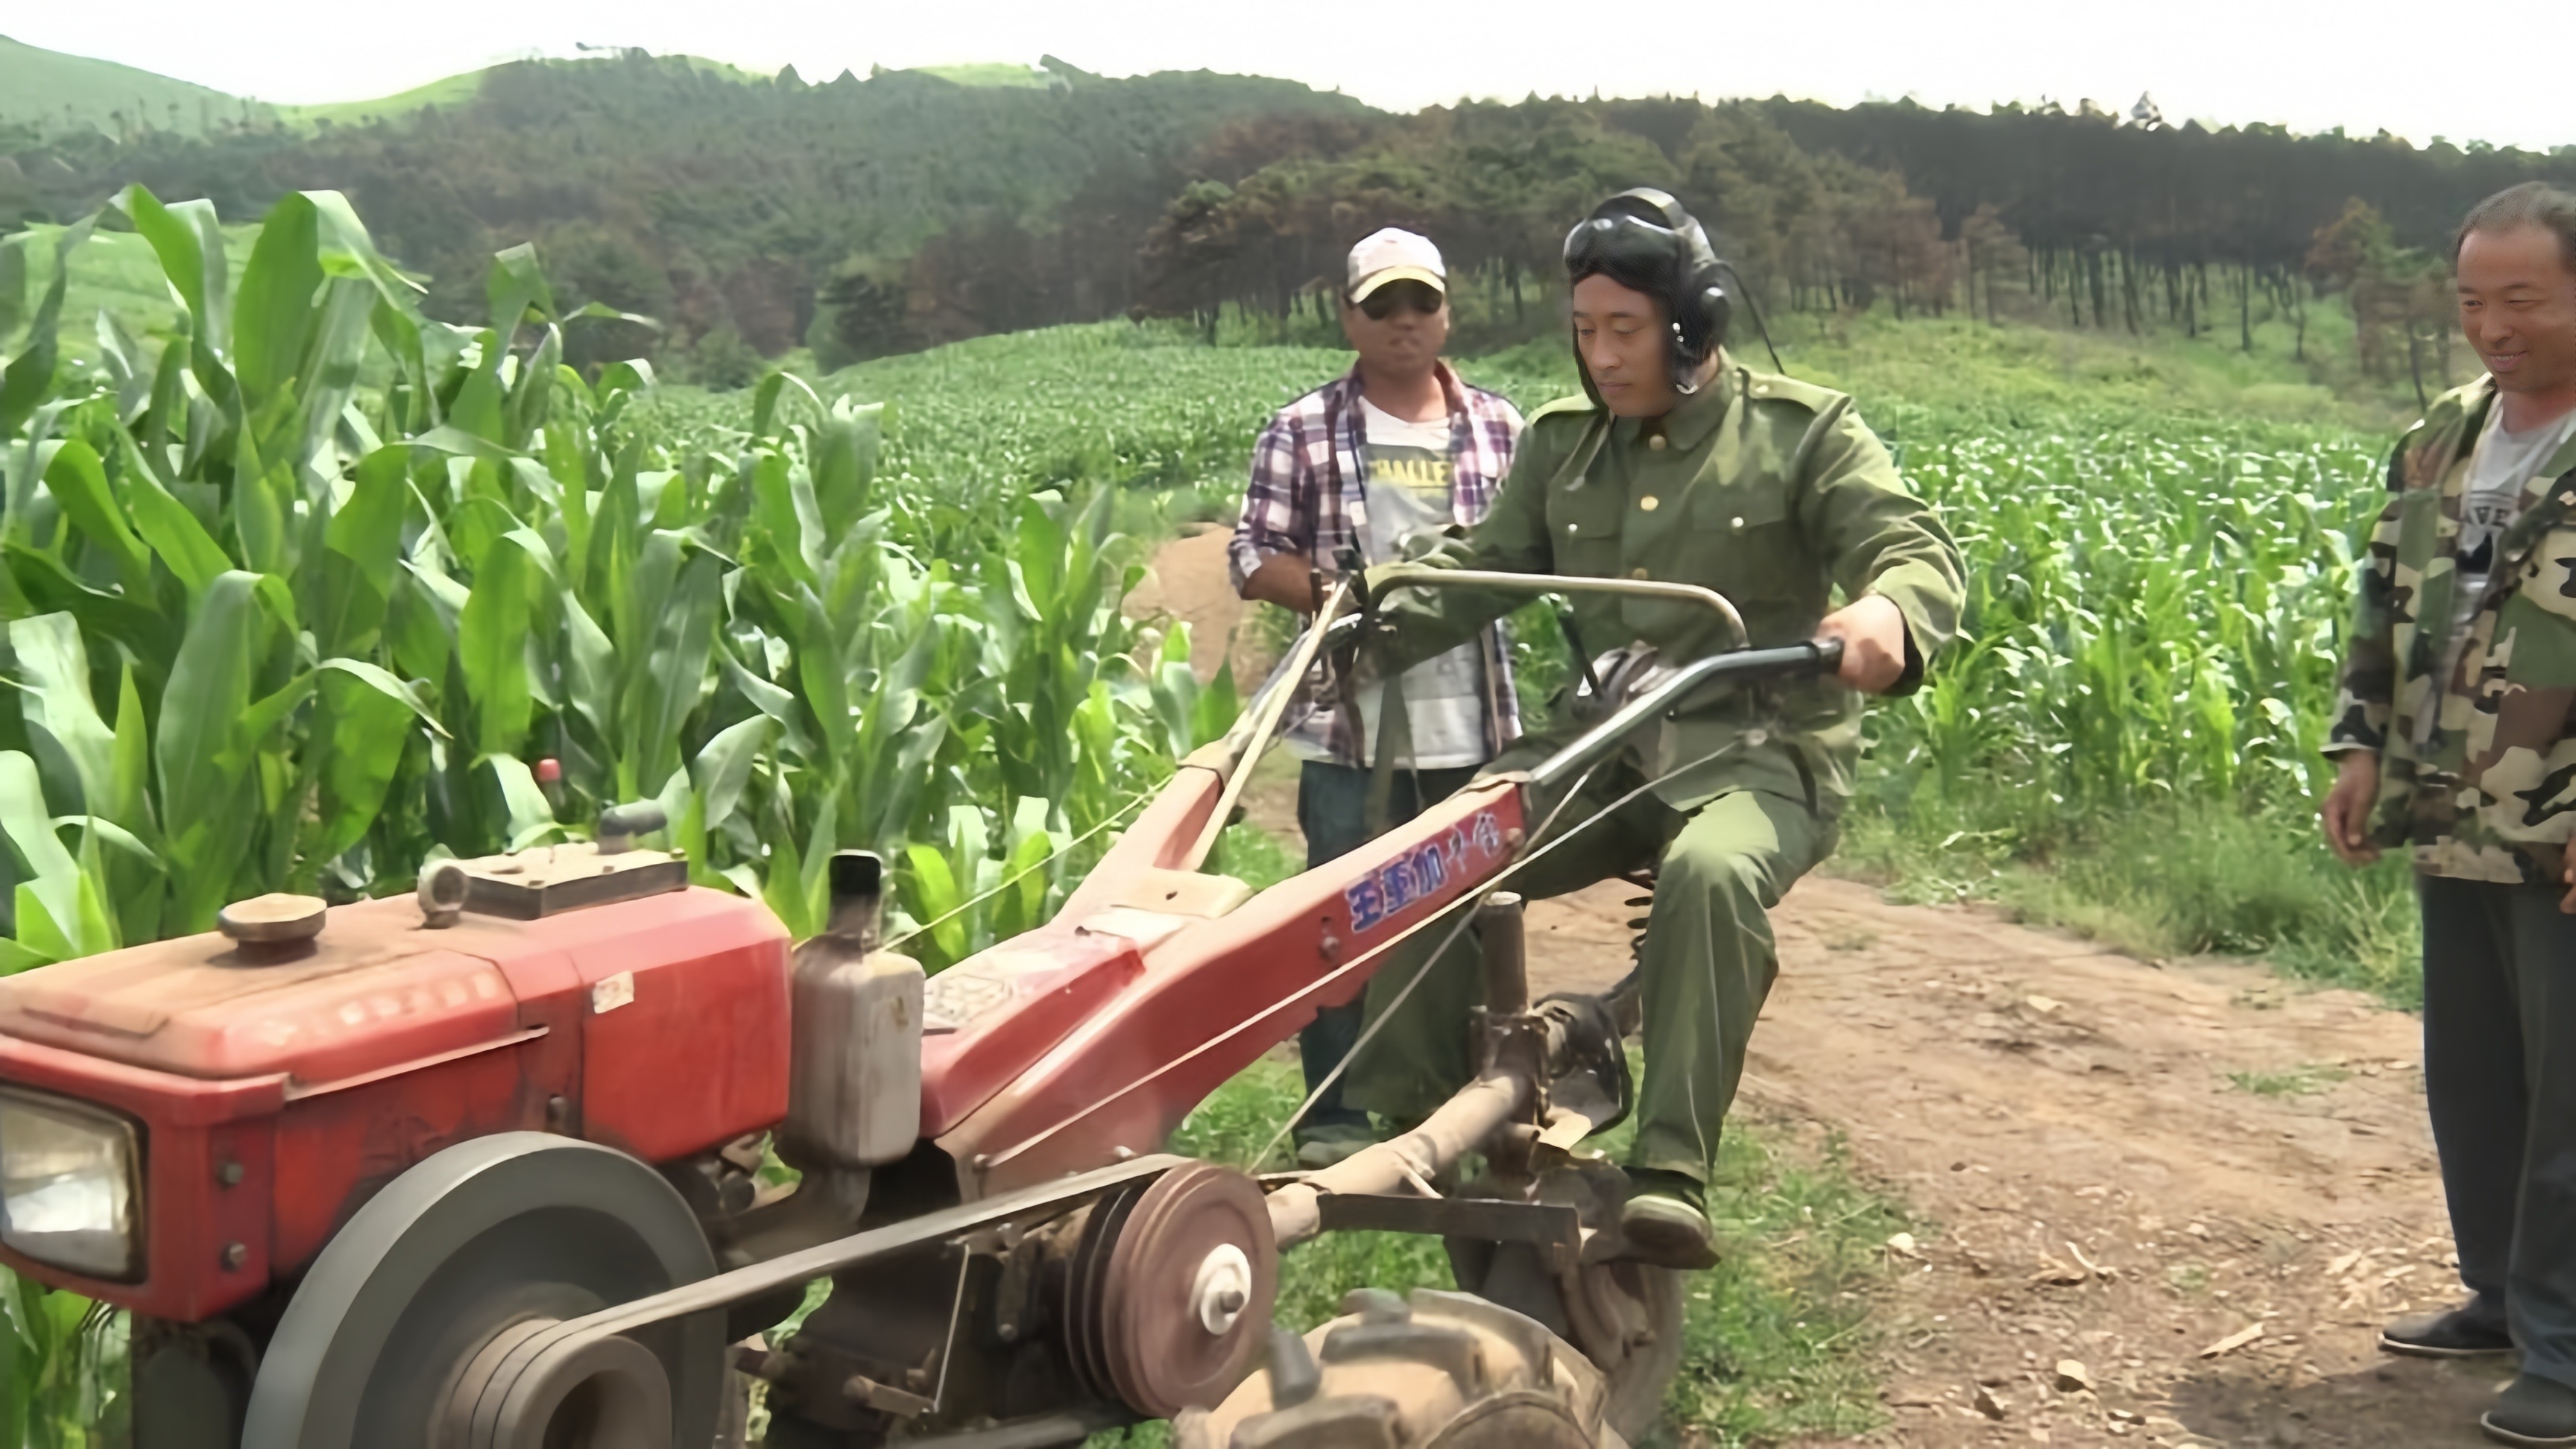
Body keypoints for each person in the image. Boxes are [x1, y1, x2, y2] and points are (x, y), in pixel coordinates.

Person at [1345, 189, 1963, 1269]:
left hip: (1760, 749)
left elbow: (1908, 544)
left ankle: (1673, 1173)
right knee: (1441, 850)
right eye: (1584, 331)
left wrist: (1889, 611)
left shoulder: (1803, 431)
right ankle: (1407, 1128)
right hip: (1606, 745)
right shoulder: (1566, 448)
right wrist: (1368, 617)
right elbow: (1475, 569)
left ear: (1693, 324)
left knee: (1712, 878)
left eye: (1624, 330)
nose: (1602, 357)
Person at [2321, 180, 2576, 1449]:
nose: (2492, 324)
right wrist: (2356, 744)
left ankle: (2569, 1347)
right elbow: (2379, 602)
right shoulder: (2439, 436)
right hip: (2453, 805)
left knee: (2572, 1096)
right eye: (2474, 299)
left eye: (2521, 297)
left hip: (2564, 820)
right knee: (2476, 1080)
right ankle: (2499, 1290)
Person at [1226, 227, 1527, 1169]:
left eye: (1421, 304)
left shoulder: (1502, 427)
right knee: (1341, 917)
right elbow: (1251, 555)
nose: (1405, 322)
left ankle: (1461, 1099)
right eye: (1383, 306)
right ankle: (1334, 1113)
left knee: (1472, 915)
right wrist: (1346, 597)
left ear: (1447, 312)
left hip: (1477, 717)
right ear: (1349, 317)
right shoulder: (1303, 429)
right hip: (1350, 725)